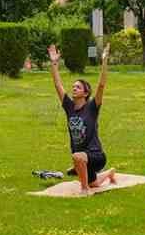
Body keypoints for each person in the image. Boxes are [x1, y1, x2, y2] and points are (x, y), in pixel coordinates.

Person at [47, 43, 115, 192]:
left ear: (85, 93)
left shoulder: (91, 107)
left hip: (96, 156)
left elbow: (102, 85)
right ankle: (109, 173)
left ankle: (84, 190)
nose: (74, 88)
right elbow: (57, 85)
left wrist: (104, 61)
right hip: (81, 158)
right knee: (94, 183)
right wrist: (54, 62)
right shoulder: (69, 107)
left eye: (78, 87)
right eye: (73, 86)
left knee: (77, 158)